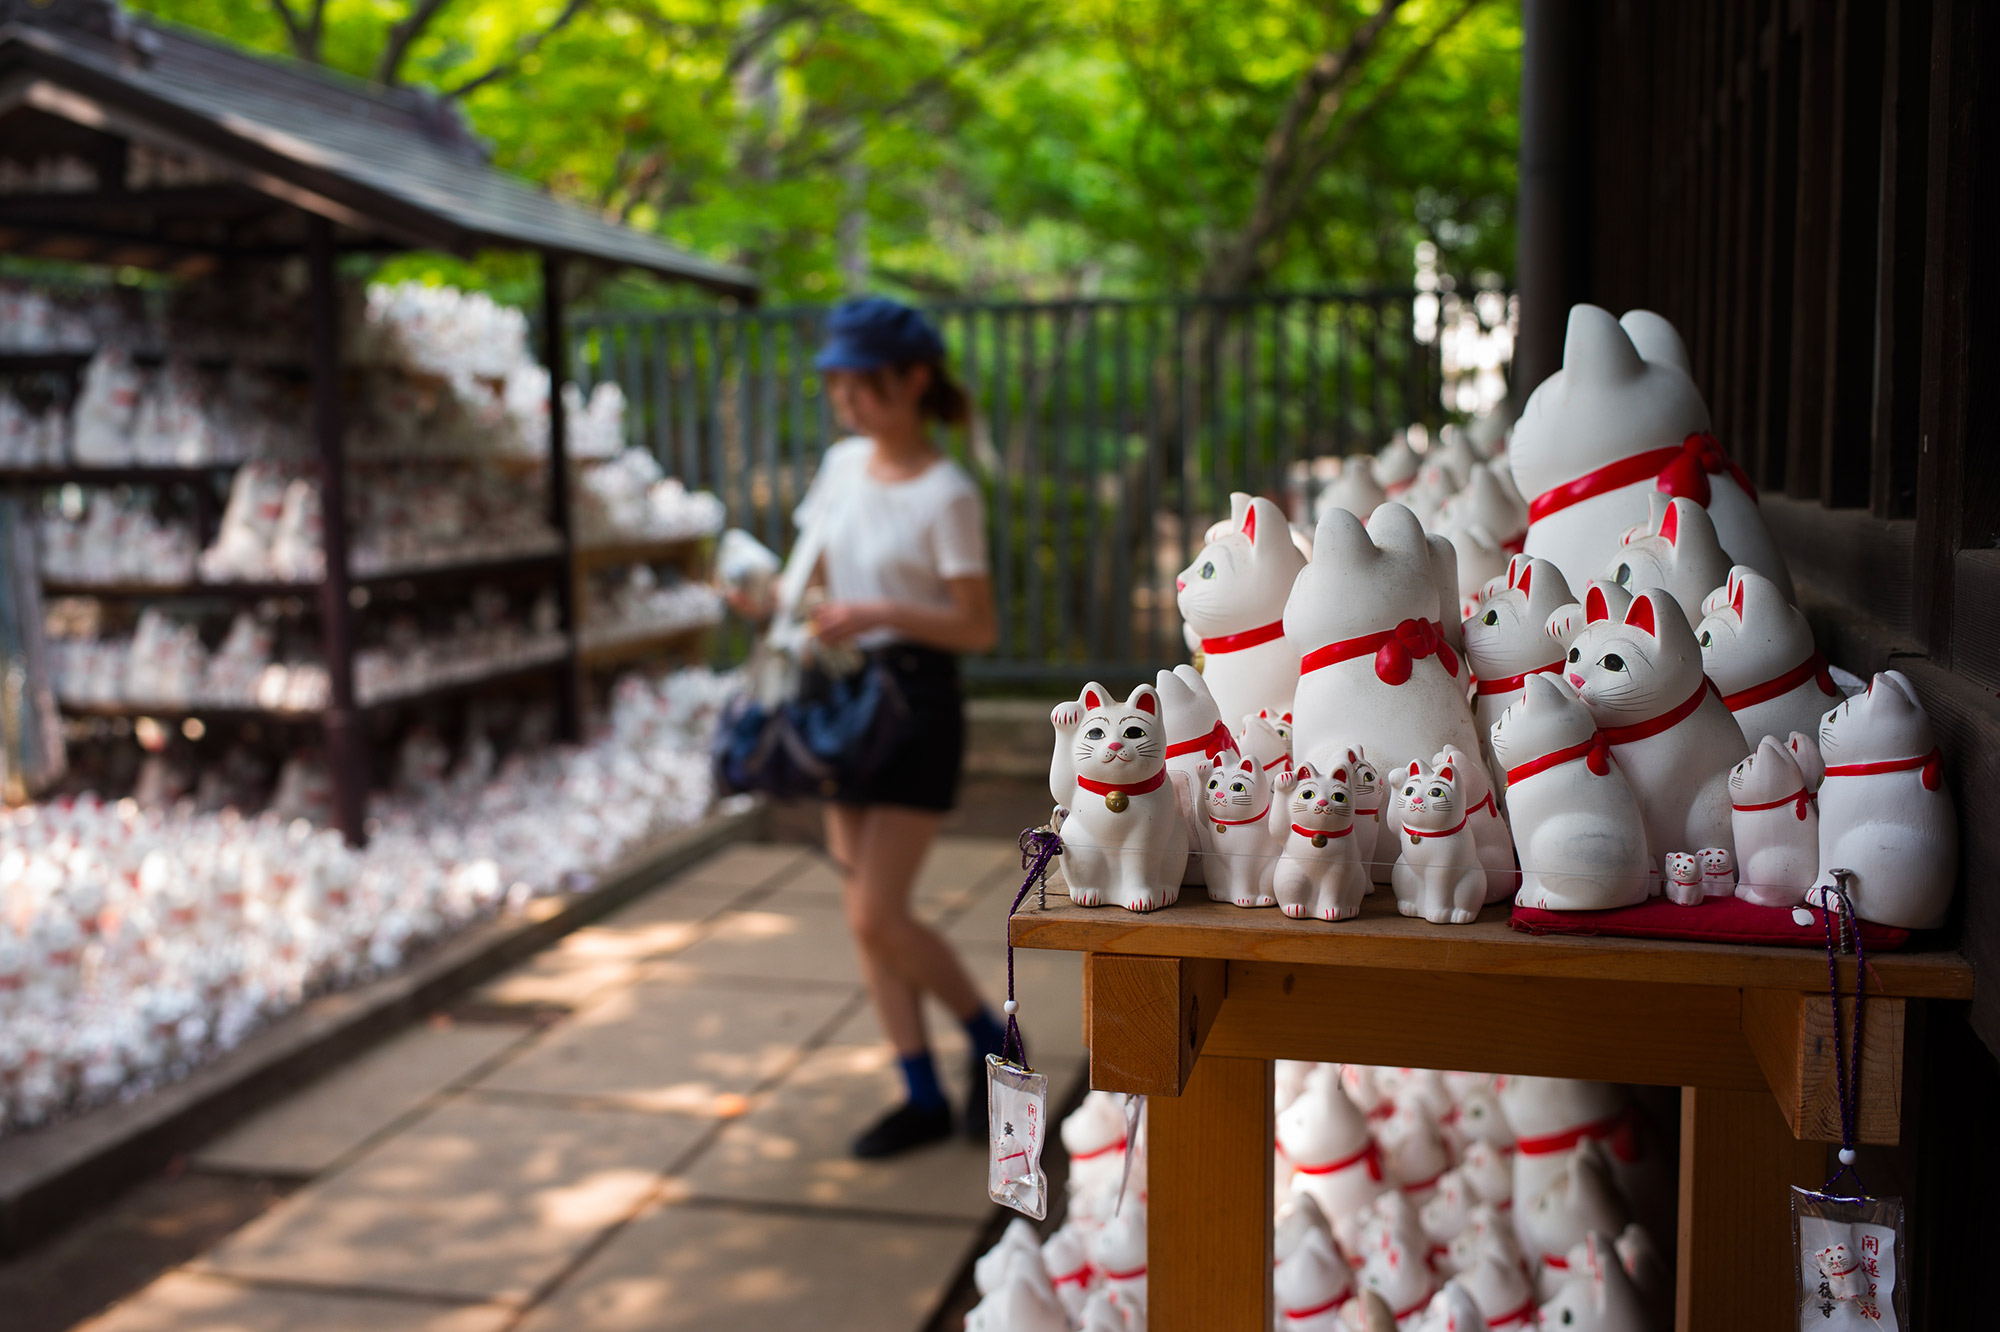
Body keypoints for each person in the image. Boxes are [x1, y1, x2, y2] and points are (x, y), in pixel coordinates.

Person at [792, 296, 1008, 1158]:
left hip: (917, 705)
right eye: (838, 383)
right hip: (845, 696)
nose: (848, 400)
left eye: (863, 382)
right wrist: (789, 608)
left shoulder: (947, 493)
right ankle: (918, 1090)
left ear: (915, 379)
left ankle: (992, 1039)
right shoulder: (843, 466)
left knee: (881, 915)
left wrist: (879, 610)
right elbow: (806, 573)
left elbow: (977, 628)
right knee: (862, 917)